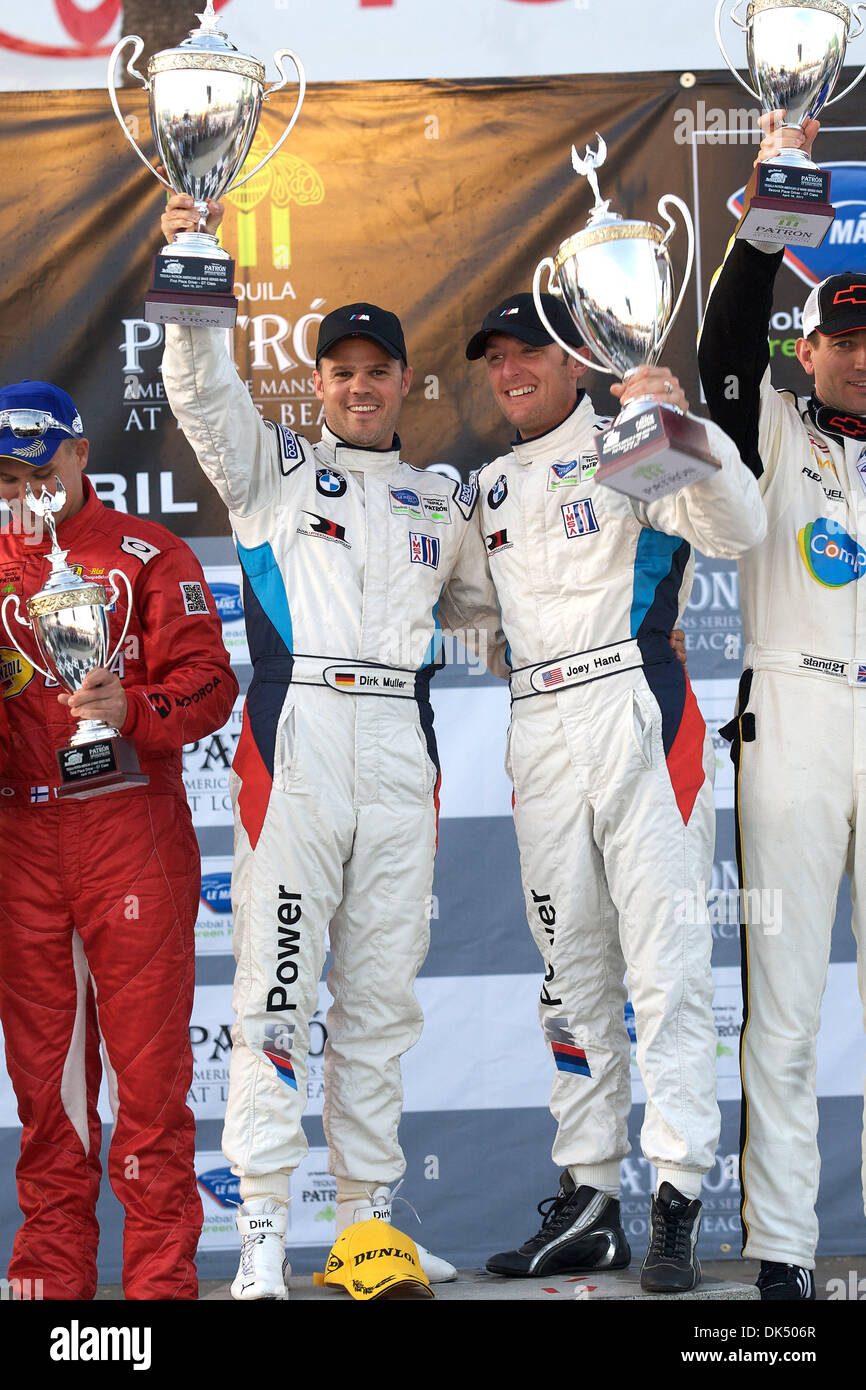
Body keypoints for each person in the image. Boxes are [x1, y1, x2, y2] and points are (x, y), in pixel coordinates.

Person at [159, 192, 507, 1299]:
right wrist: (194, 257)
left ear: (405, 382)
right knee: (274, 994)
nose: (358, 387)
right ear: (316, 383)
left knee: (377, 1001)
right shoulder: (273, 479)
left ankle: (366, 1229)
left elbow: (486, 611)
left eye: (377, 370)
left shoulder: (439, 499)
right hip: (299, 742)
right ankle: (262, 1228)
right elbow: (198, 390)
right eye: (340, 370)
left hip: (401, 745)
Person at [465, 291, 767, 1292]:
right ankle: (589, 1194)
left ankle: (677, 1192)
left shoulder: (635, 437)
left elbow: (734, 527)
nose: (509, 374)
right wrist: (505, 654)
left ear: (576, 362)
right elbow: (468, 608)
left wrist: (680, 431)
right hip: (539, 727)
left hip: (637, 707)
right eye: (495, 360)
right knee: (569, 979)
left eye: (527, 357)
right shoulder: (489, 489)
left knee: (667, 970)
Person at [0, 378, 238, 1300]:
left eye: (36, 470)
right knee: (46, 1094)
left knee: (147, 1091)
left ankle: (158, 1289)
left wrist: (129, 708)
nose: (23, 493)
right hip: (20, 836)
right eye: (6, 479)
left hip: (127, 826)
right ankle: (52, 1284)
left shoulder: (147, 553)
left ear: (79, 453)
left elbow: (211, 685)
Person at [698, 110, 866, 1301]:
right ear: (805, 350)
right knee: (786, 999)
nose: (859, 357)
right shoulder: (762, 425)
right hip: (793, 716)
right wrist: (764, 217)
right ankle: (781, 1251)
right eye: (841, 340)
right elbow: (713, 352)